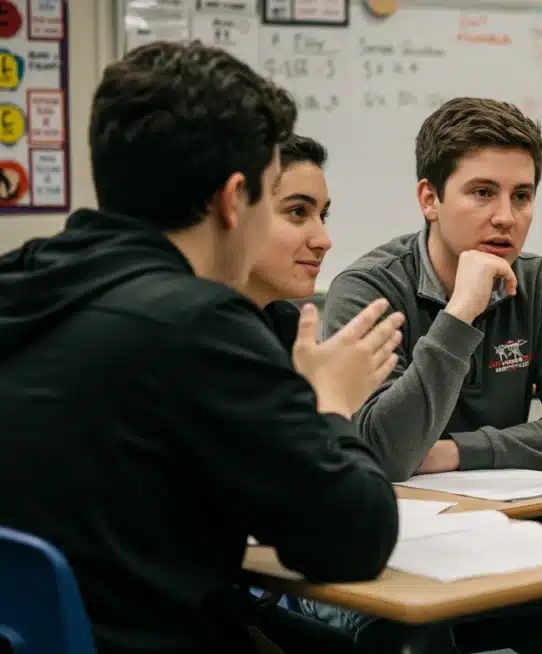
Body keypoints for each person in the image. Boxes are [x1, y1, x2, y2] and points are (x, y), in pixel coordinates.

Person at [0, 41, 404, 654]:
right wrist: (330, 401)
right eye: (274, 198)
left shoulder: (24, 282)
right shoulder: (199, 325)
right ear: (231, 199)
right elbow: (352, 538)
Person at [306, 97, 542, 652]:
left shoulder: (540, 283)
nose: (506, 217)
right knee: (417, 635)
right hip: (393, 555)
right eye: (482, 192)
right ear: (429, 199)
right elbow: (381, 452)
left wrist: (454, 451)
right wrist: (459, 315)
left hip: (502, 537)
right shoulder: (366, 290)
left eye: (523, 196)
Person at [244, 134, 334, 347]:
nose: (324, 241)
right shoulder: (179, 330)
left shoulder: (285, 323)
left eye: (323, 216)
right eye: (297, 211)